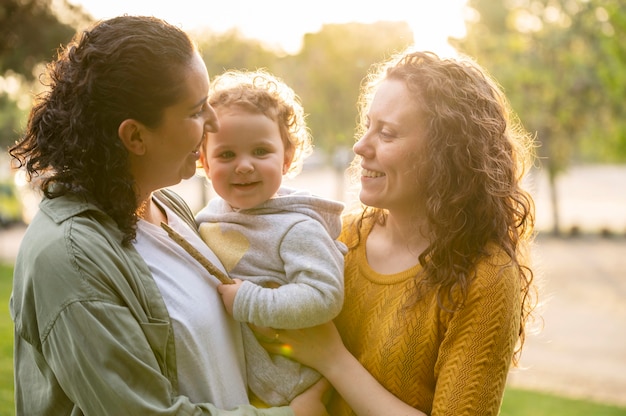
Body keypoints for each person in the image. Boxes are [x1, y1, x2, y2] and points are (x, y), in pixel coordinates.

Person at [8, 15, 327, 416]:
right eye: (196, 111)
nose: (213, 122)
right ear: (135, 136)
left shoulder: (165, 206)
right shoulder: (70, 261)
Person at [258, 49, 538, 415]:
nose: (360, 146)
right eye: (367, 126)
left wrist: (334, 360)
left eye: (386, 133)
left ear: (446, 154)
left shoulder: (485, 277)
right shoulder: (338, 237)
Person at [196, 69, 346, 407]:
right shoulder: (206, 218)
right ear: (204, 161)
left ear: (287, 158)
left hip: (297, 388)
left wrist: (251, 302)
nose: (244, 166)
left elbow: (324, 295)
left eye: (261, 152)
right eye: (227, 155)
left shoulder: (296, 228)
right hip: (241, 389)